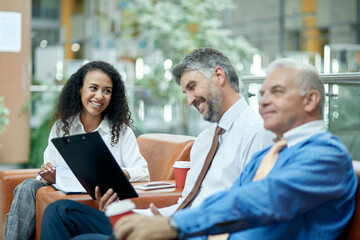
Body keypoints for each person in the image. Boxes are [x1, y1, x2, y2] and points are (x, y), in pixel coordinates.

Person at [109, 58, 358, 240]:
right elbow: (229, 199)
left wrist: (175, 225)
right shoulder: (268, 155)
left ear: (311, 100)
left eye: (277, 91)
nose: (264, 100)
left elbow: (263, 199)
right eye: (262, 93)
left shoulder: (327, 155)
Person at [40, 47, 274, 240]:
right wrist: (142, 216)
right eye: (186, 92)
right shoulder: (204, 140)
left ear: (219, 76)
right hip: (169, 222)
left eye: (192, 87)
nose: (190, 100)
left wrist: (173, 227)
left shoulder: (257, 132)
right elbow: (185, 202)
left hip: (194, 232)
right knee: (61, 211)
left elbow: (254, 211)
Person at [5, 61, 149, 240]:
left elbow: (142, 172)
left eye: (107, 91)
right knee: (27, 186)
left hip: (98, 198)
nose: (99, 96)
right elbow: (47, 171)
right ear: (79, 90)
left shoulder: (121, 132)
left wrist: (113, 174)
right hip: (65, 192)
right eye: (93, 88)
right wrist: (48, 174)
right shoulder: (61, 127)